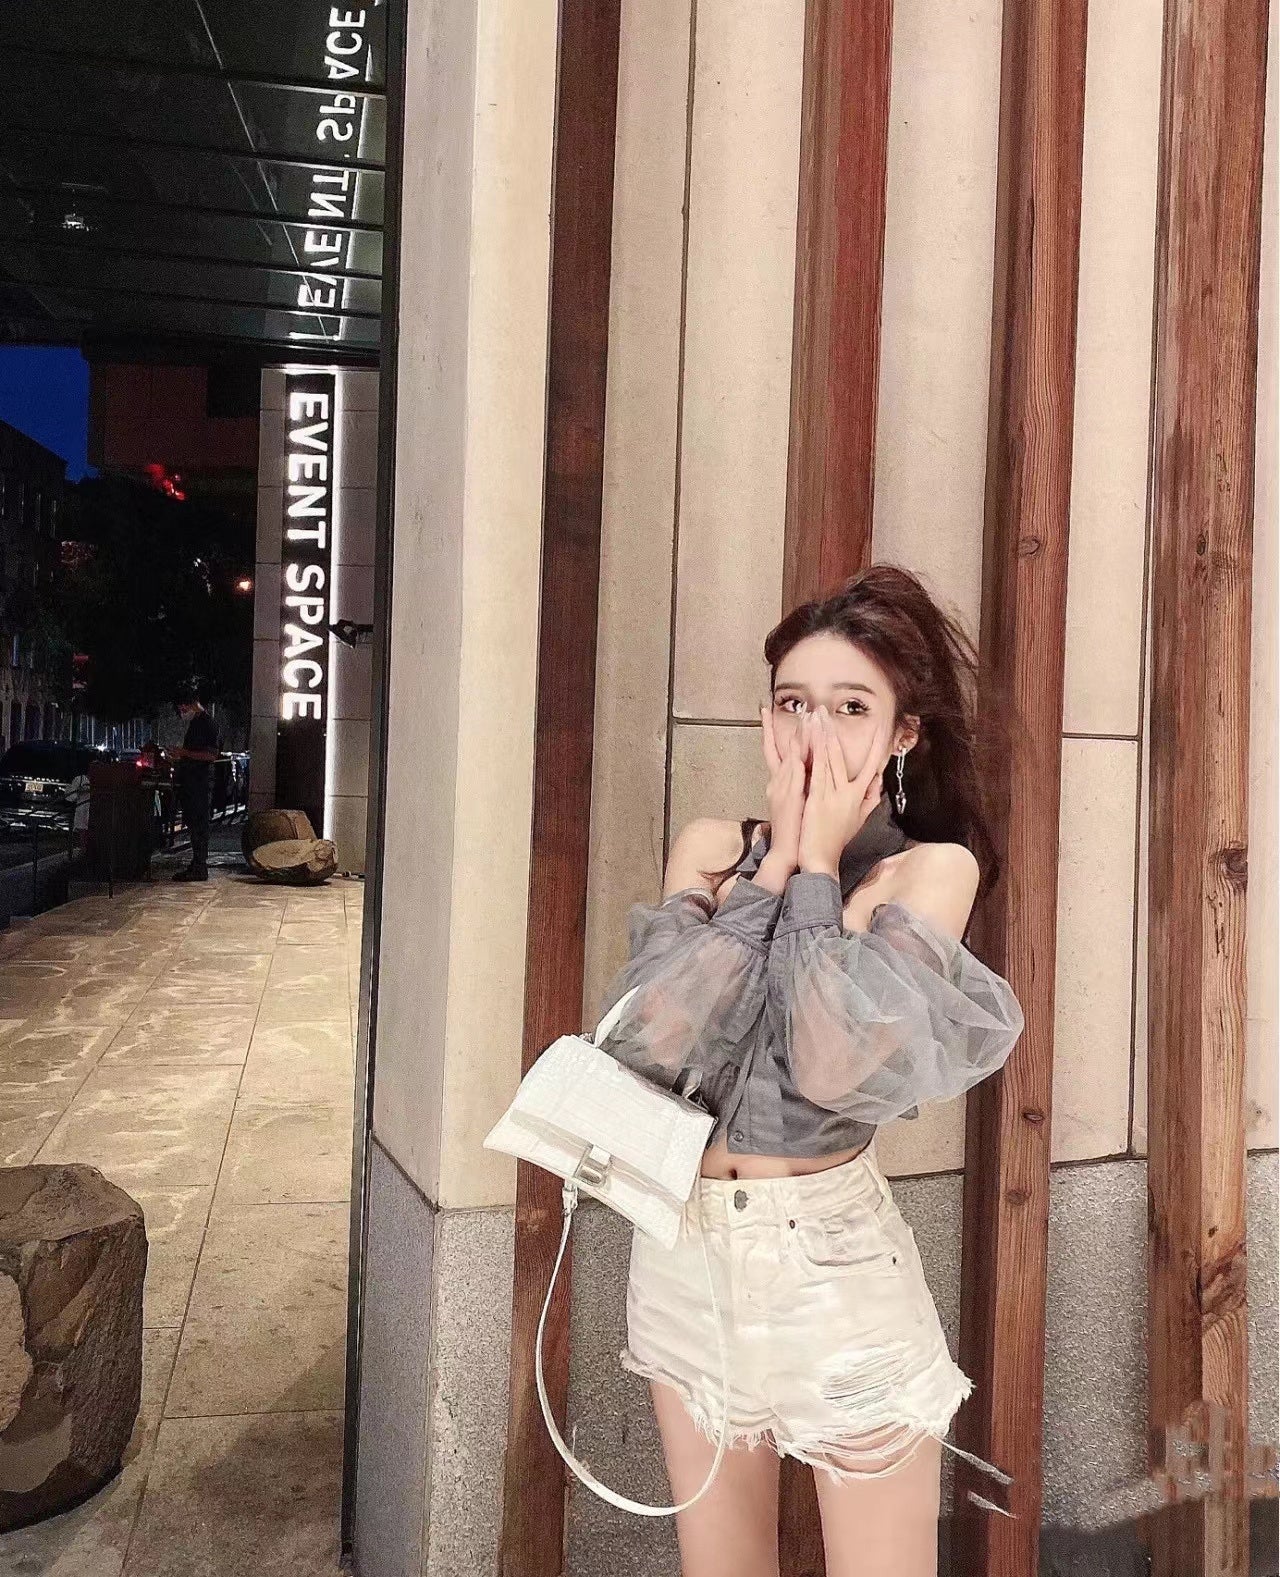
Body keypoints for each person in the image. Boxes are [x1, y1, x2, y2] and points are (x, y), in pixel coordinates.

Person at [594, 565, 1026, 1577]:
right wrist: (775, 866)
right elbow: (660, 1042)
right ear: (764, 719)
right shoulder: (713, 847)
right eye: (792, 703)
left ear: (904, 733)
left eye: (850, 707)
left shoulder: (930, 869)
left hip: (830, 1269)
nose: (814, 732)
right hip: (683, 1256)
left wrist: (822, 866)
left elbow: (833, 1064)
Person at [170, 682, 219, 882]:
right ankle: (197, 863)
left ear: (191, 704)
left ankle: (200, 865)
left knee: (199, 825)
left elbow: (211, 755)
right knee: (193, 824)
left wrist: (184, 753)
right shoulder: (196, 723)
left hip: (200, 783)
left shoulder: (207, 723)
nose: (182, 712)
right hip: (191, 782)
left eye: (183, 709)